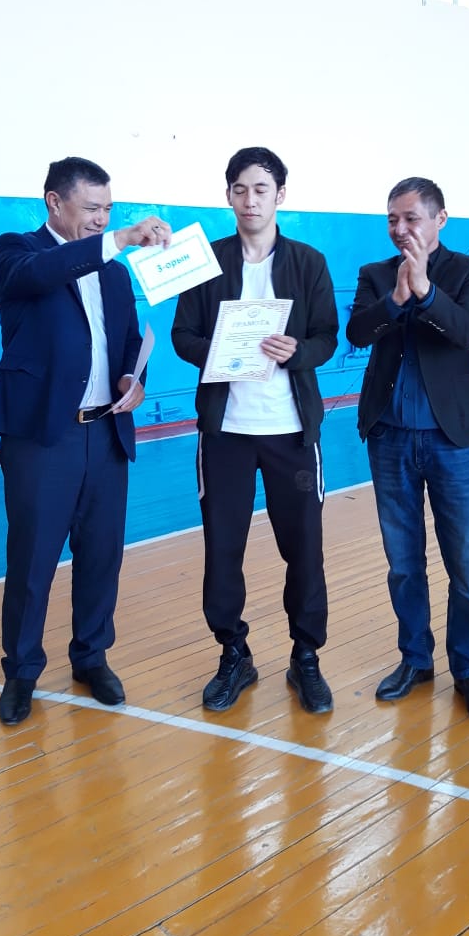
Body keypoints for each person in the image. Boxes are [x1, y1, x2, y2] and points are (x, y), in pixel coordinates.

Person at [0, 156, 172, 725]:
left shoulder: (114, 274)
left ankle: (91, 656)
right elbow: (41, 275)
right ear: (54, 202)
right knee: (33, 559)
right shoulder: (16, 252)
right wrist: (120, 239)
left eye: (108, 209)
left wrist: (134, 379)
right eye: (91, 208)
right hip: (44, 437)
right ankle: (21, 671)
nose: (101, 218)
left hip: (106, 432)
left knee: (102, 555)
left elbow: (130, 341)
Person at [171, 146, 338, 714]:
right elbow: (183, 335)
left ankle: (305, 656)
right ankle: (234, 653)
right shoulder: (208, 262)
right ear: (228, 195)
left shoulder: (309, 262)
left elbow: (326, 336)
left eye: (261, 189)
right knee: (223, 549)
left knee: (305, 550)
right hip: (226, 433)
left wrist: (297, 352)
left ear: (280, 195)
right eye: (240, 189)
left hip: (291, 432)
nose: (250, 200)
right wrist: (220, 351)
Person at [346, 177, 469, 722]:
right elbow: (357, 333)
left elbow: (467, 332)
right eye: (392, 218)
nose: (400, 228)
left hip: (451, 439)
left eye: (410, 218)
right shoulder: (375, 274)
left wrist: (426, 290)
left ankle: (468, 669)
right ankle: (415, 659)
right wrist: (396, 297)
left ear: (440, 219)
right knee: (404, 564)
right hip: (389, 436)